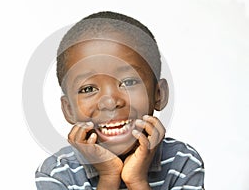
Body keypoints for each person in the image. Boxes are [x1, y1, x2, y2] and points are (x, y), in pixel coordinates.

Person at [35, 11, 204, 190]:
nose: (110, 102)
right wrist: (109, 177)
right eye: (89, 89)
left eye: (128, 82)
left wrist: (137, 181)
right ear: (68, 109)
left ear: (158, 94)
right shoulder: (56, 173)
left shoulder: (182, 162)